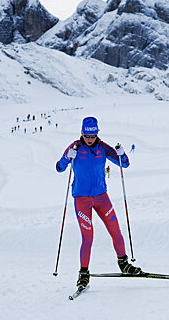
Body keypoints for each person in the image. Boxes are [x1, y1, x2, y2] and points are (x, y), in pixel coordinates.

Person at [56, 116, 141, 290]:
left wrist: (122, 154)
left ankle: (123, 264)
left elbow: (124, 164)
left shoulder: (102, 147)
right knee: (88, 237)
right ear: (81, 133)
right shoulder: (75, 148)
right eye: (87, 135)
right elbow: (59, 167)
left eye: (93, 135)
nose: (89, 139)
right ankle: (84, 274)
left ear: (97, 133)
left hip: (102, 197)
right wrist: (67, 157)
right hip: (82, 199)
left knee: (115, 230)